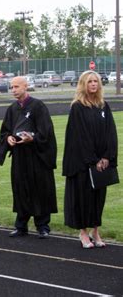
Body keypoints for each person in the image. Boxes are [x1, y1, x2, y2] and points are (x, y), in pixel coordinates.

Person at [0, 76, 57, 239]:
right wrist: (8, 138)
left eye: (16, 86)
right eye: (11, 87)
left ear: (26, 86)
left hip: (36, 156)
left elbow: (46, 132)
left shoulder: (38, 106)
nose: (13, 90)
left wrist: (33, 138)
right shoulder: (12, 109)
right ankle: (21, 225)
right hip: (20, 157)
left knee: (39, 190)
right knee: (21, 190)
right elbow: (5, 131)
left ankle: (42, 226)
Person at [62, 71, 119, 249]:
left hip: (101, 162)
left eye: (96, 81)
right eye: (90, 81)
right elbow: (80, 137)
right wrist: (93, 159)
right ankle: (84, 232)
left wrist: (107, 157)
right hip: (83, 164)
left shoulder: (103, 106)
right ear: (83, 84)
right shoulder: (78, 107)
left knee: (98, 199)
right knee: (83, 198)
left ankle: (96, 231)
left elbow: (111, 133)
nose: (93, 84)